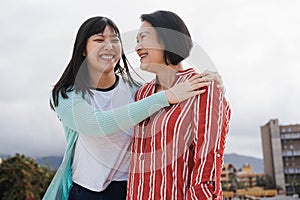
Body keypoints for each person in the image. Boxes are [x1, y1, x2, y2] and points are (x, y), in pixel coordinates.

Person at [43, 16, 222, 200]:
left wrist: (209, 80)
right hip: (86, 192)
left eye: (115, 40)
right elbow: (98, 125)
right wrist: (168, 97)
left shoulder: (138, 91)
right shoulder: (65, 96)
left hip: (131, 191)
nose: (109, 46)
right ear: (83, 50)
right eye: (99, 40)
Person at [127, 10, 231, 200]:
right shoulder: (142, 94)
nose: (137, 47)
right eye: (136, 40)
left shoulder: (204, 87)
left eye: (144, 38)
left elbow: (209, 160)